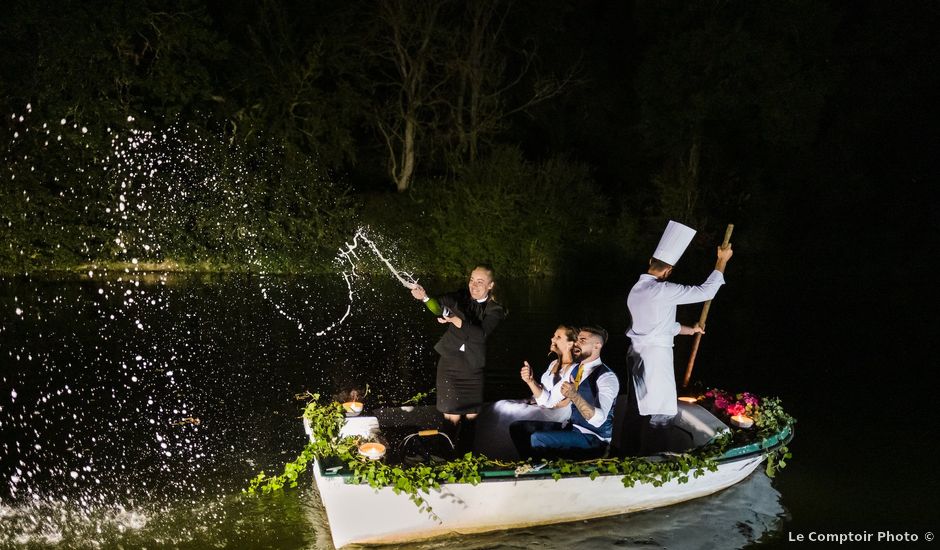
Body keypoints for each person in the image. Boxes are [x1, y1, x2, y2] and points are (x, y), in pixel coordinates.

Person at [626, 220, 732, 451]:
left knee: (639, 407)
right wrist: (721, 261)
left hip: (637, 354)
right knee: (662, 410)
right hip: (654, 358)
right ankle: (655, 460)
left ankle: (631, 451)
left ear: (650, 263)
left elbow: (664, 326)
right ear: (669, 271)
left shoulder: (637, 289)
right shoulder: (663, 290)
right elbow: (707, 291)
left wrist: (690, 329)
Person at [410, 265, 506, 430]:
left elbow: (480, 335)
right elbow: (438, 305)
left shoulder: (496, 309)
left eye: (480, 282)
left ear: (491, 285)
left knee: (471, 418)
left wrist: (454, 319)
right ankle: (447, 453)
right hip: (450, 364)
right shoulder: (461, 296)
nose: (473, 285)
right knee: (451, 417)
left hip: (473, 368)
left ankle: (466, 454)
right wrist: (425, 297)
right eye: (472, 280)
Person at [518, 326, 619, 459]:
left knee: (539, 438)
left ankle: (540, 472)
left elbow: (598, 420)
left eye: (582, 340)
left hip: (595, 440)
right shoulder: (576, 370)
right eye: (577, 340)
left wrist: (574, 396)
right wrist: (531, 381)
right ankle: (533, 467)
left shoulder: (606, 377)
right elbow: (547, 401)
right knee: (519, 428)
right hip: (574, 429)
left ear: (597, 345)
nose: (576, 344)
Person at [520, 324, 579, 409]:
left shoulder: (573, 369)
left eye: (558, 337)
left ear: (570, 344)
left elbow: (552, 403)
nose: (552, 339)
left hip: (555, 414)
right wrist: (530, 380)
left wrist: (531, 382)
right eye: (554, 336)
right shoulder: (553, 363)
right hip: (542, 407)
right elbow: (543, 394)